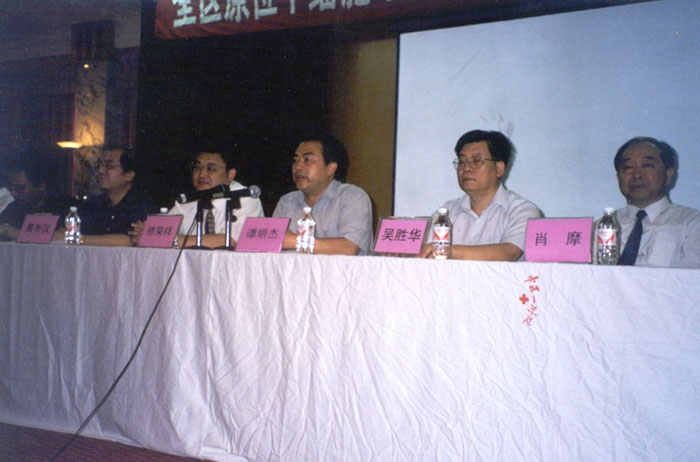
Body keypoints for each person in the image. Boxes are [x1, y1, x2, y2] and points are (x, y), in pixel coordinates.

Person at [423, 129, 541, 261]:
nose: (466, 168)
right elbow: (422, 249)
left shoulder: (522, 210)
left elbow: (510, 253)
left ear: (499, 169)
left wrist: (449, 251)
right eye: (462, 161)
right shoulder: (447, 212)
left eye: (476, 161)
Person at [131, 149, 264, 248]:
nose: (202, 175)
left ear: (230, 175)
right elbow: (162, 231)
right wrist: (147, 232)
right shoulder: (187, 200)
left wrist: (169, 241)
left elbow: (230, 240)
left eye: (211, 169)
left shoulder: (245, 198)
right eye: (197, 168)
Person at [272, 133, 373, 255]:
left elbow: (349, 248)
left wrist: (296, 241)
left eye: (307, 160)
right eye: (296, 160)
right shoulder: (286, 202)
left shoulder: (352, 197)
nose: (298, 166)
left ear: (331, 168)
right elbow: (271, 247)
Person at [610, 136, 700, 268]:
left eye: (647, 165)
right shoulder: (600, 229)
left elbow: (692, 278)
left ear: (668, 175)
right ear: (618, 178)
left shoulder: (693, 224)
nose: (637, 175)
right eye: (628, 167)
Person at [76, 145, 157, 246]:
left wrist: (77, 239)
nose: (100, 171)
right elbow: (72, 228)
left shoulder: (141, 204)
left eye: (109, 166)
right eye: (98, 165)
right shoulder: (93, 204)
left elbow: (128, 240)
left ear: (129, 175)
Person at [0, 156, 77, 241]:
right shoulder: (15, 208)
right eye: (11, 188)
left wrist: (11, 232)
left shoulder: (67, 208)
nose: (13, 193)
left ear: (40, 186)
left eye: (20, 188)